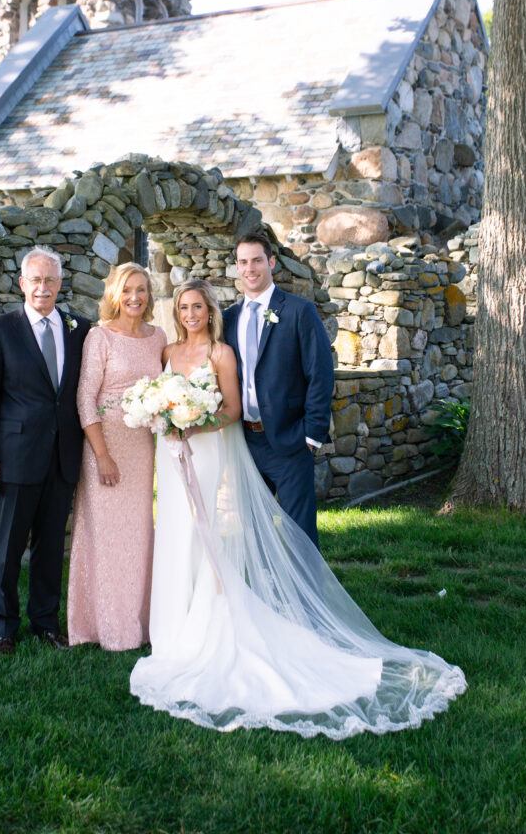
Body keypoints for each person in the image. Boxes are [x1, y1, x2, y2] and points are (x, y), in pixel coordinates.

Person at [130, 278, 467, 739]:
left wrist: (191, 424)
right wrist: (164, 417)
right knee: (173, 533)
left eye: (198, 307)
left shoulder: (222, 352)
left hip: (204, 451)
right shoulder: (167, 352)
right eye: (184, 307)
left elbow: (228, 408)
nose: (190, 314)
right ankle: (169, 628)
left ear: (210, 311)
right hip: (171, 459)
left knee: (204, 532)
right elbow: (164, 396)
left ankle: (233, 617)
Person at [0, 245, 90, 655]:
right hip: (16, 457)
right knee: (7, 550)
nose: (43, 287)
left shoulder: (80, 329)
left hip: (63, 457)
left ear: (60, 283)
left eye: (51, 280)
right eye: (36, 280)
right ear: (22, 283)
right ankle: (4, 627)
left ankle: (45, 622)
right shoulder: (0, 329)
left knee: (49, 548)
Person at [67, 262, 167, 650]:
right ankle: (102, 626)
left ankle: (139, 624)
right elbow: (84, 399)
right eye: (127, 290)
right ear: (114, 295)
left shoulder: (158, 337)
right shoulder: (99, 337)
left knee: (139, 535)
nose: (135, 297)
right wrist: (103, 455)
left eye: (141, 289)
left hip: (142, 448)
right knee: (104, 537)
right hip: (103, 448)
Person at [222, 231, 334, 547]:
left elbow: (320, 375)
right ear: (237, 267)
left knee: (299, 535)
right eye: (243, 262)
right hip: (245, 442)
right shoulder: (229, 318)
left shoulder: (300, 311)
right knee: (254, 536)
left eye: (257, 260)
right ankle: (266, 595)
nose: (250, 268)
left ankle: (305, 596)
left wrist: (310, 436)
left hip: (291, 441)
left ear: (271, 261)